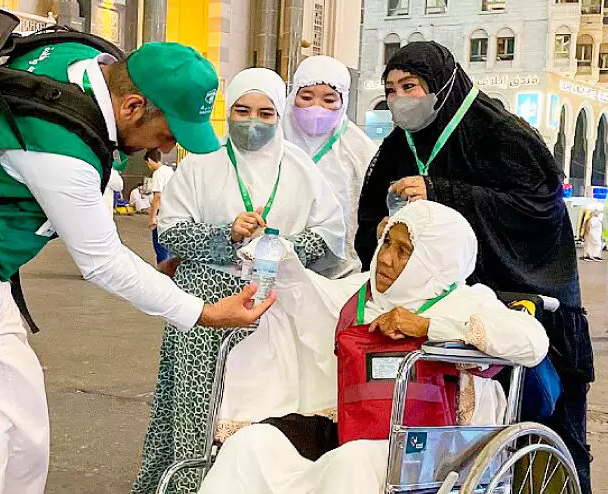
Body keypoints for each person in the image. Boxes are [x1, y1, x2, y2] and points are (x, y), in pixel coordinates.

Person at [0, 41, 275, 494]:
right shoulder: (61, 147)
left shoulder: (76, 58)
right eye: (166, 133)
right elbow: (102, 261)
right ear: (133, 105)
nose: (167, 146)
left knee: (20, 432)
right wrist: (202, 313)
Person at [353, 41, 593, 492]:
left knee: (542, 432)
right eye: (391, 89)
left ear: (443, 86)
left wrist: (442, 193)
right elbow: (369, 219)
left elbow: (539, 208)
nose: (400, 99)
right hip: (428, 307)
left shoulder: (501, 133)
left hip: (512, 296)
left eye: (410, 86)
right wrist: (388, 232)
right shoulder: (397, 146)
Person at [198, 200, 550, 494]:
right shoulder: (362, 292)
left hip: (432, 445)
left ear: (434, 260)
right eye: (387, 243)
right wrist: (281, 260)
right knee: (250, 445)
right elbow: (311, 297)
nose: (385, 258)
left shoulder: (466, 301)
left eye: (404, 251)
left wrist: (427, 326)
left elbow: (533, 342)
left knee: (353, 460)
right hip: (351, 426)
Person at [132, 67, 348, 494]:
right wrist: (226, 235)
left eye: (265, 113)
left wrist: (278, 250)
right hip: (204, 306)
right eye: (242, 110)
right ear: (227, 111)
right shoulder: (201, 165)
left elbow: (330, 233)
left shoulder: (300, 168)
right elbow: (171, 231)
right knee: (197, 406)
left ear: (279, 115)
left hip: (272, 302)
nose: (252, 121)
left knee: (263, 409)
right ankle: (189, 485)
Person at [284, 56, 377, 275]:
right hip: (276, 261)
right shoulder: (276, 138)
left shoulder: (358, 148)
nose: (317, 107)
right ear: (293, 95)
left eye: (329, 100)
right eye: (307, 97)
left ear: (343, 101)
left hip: (340, 270)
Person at [146, 148, 174, 264]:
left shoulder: (158, 173)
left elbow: (158, 196)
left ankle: (163, 271)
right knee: (170, 247)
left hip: (162, 214)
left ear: (149, 160)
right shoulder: (169, 171)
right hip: (172, 213)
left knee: (160, 247)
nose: (149, 167)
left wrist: (153, 216)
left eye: (147, 164)